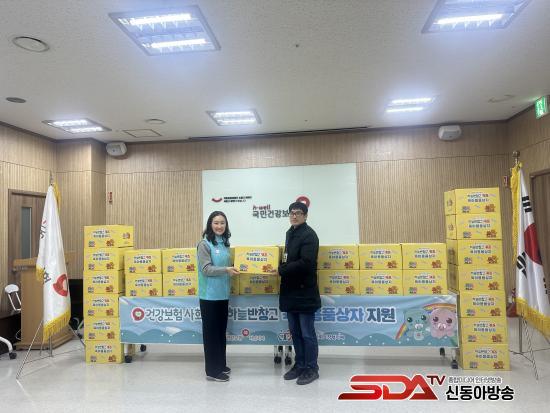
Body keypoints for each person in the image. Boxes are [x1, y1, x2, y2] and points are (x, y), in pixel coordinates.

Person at [278, 201, 321, 385]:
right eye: (291, 213)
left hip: (305, 292)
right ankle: (300, 365)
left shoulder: (309, 235)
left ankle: (312, 368)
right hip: (290, 291)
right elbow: (288, 259)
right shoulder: (290, 233)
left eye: (298, 213)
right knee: (295, 332)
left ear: (305, 215)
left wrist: (281, 269)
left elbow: (306, 263)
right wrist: (280, 265)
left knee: (307, 333)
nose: (294, 216)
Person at [197, 211, 239, 382]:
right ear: (210, 224)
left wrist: (236, 267)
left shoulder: (224, 243)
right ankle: (212, 371)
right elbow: (206, 269)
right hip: (209, 296)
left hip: (223, 294)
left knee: (221, 332)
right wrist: (227, 270)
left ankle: (220, 364)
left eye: (222, 223)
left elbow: (226, 265)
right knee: (211, 334)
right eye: (216, 223)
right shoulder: (204, 244)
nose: (219, 226)